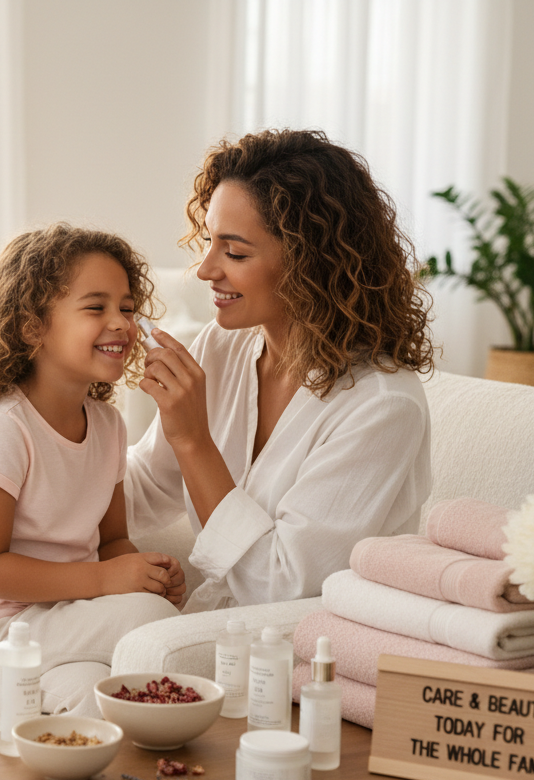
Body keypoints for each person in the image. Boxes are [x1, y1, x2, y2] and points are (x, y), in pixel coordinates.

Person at [126, 129, 434, 613]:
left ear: (312, 263)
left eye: (235, 252)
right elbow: (147, 483)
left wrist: (193, 440)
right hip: (214, 626)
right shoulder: (222, 347)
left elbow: (279, 584)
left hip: (302, 638)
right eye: (209, 242)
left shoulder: (382, 406)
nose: (205, 270)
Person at [0, 223, 186, 720]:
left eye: (127, 308)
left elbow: (112, 540)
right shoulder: (3, 430)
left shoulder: (108, 426)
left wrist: (144, 574)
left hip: (62, 625)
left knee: (96, 700)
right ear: (33, 327)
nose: (120, 323)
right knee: (150, 619)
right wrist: (106, 580)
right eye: (96, 308)